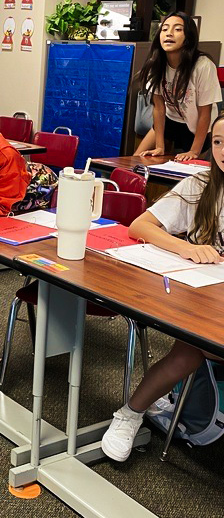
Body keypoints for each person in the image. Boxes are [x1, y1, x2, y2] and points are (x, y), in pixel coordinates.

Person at [102, 110, 224, 462]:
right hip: (205, 299)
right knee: (189, 351)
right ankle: (130, 414)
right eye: (217, 142)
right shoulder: (200, 185)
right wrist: (188, 247)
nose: (222, 150)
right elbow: (140, 227)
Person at [133, 11, 219, 162]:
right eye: (165, 29)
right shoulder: (156, 63)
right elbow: (159, 108)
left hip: (199, 125)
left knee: (189, 173)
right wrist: (160, 146)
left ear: (188, 37)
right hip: (171, 119)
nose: (169, 34)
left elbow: (204, 113)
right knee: (135, 161)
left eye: (178, 29)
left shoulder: (203, 65)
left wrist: (194, 151)